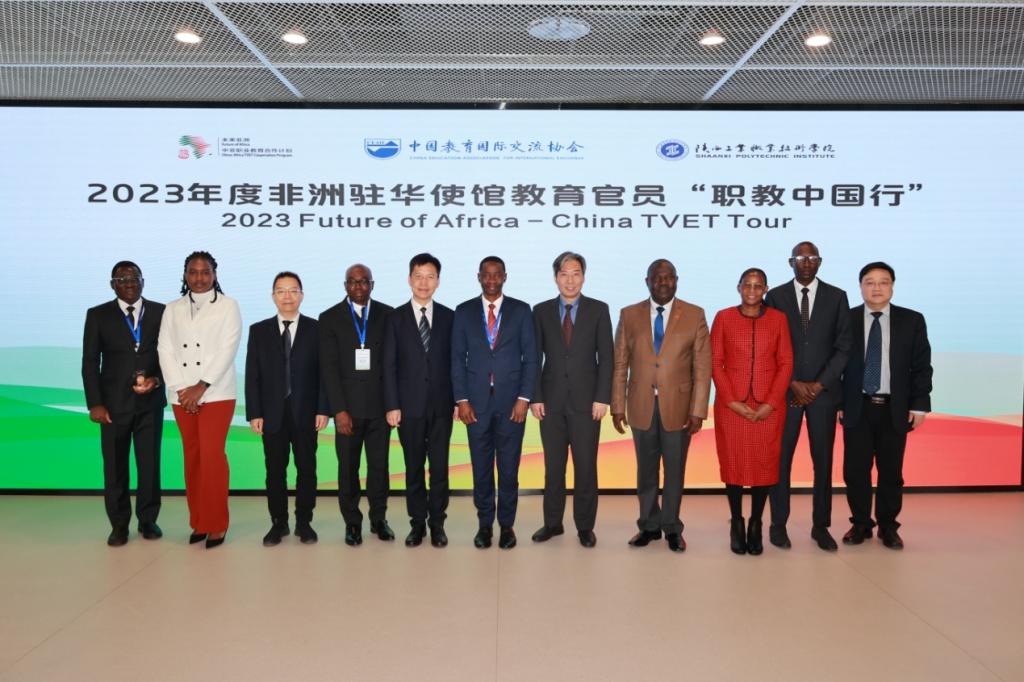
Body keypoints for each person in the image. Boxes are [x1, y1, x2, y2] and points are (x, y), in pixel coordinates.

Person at [611, 259, 711, 553]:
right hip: (640, 404)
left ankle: (672, 528)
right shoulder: (629, 314)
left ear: (676, 280)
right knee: (646, 471)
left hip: (679, 407)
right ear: (647, 281)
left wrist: (698, 410)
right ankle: (648, 525)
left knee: (675, 470)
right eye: (657, 278)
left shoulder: (694, 314)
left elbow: (702, 368)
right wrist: (618, 405)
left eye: (668, 277)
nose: (663, 282)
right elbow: (620, 364)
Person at [764, 241, 851, 552]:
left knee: (823, 462)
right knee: (780, 461)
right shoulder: (775, 296)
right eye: (800, 257)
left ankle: (820, 526)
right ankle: (778, 525)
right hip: (786, 392)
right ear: (791, 262)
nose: (806, 262)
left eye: (812, 257)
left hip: (823, 395)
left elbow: (844, 347)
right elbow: (770, 346)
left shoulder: (837, 297)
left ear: (820, 262)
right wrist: (792, 383)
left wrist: (818, 385)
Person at [839, 262, 932, 550]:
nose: (876, 288)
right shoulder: (847, 319)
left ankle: (888, 527)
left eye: (883, 282)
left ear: (892, 286)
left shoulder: (911, 320)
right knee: (855, 471)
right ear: (860, 287)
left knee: (891, 472)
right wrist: (838, 402)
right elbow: (836, 365)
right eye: (870, 282)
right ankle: (860, 524)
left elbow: (921, 366)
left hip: (895, 408)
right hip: (857, 407)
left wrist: (919, 405)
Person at [452, 256, 537, 550]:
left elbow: (531, 358)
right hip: (475, 406)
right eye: (486, 274)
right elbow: (456, 360)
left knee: (509, 470)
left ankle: (507, 526)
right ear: (479, 277)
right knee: (482, 469)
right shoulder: (463, 312)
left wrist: (524, 398)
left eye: (496, 274)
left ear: (505, 277)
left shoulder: (521, 310)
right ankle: (485, 525)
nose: (491, 279)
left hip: (512, 404)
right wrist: (462, 400)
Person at [157, 251, 242, 549]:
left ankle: (217, 523)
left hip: (216, 393)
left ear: (214, 274)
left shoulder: (229, 306)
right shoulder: (172, 308)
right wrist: (182, 389)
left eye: (205, 272)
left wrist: (201, 386)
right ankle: (199, 521)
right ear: (185, 275)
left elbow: (228, 349)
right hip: (182, 395)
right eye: (193, 272)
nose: (199, 278)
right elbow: (165, 349)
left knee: (212, 456)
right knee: (192, 457)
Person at [530, 252, 613, 548]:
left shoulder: (599, 310)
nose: (570, 280)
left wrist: (602, 397)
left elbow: (607, 358)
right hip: (550, 403)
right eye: (564, 274)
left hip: (587, 403)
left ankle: (585, 527)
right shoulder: (540, 311)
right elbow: (534, 359)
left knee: (586, 468)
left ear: (583, 277)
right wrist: (535, 397)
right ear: (556, 277)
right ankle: (552, 523)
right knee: (554, 468)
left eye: (576, 273)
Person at [710, 268, 793, 555]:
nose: (752, 290)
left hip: (769, 407)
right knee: (733, 463)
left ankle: (756, 522)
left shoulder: (778, 319)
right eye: (747, 285)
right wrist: (732, 401)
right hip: (731, 406)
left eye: (758, 286)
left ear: (766, 289)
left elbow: (786, 362)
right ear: (739, 287)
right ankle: (736, 521)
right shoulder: (723, 317)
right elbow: (715, 362)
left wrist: (771, 403)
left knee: (764, 465)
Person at [82, 261, 165, 546]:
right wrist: (95, 403)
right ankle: (119, 525)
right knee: (115, 467)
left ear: (143, 281)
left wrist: (157, 380)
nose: (129, 283)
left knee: (149, 465)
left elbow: (170, 355)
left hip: (150, 404)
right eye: (122, 279)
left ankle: (148, 520)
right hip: (112, 407)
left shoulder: (161, 312)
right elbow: (90, 361)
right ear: (112, 285)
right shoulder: (97, 315)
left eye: (134, 277)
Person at [245, 272, 329, 546]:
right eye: (281, 291)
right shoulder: (258, 331)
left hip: (307, 413)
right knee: (274, 471)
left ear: (301, 295)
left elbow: (325, 374)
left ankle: (304, 523)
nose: (287, 296)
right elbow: (253, 375)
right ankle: (278, 523)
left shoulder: (317, 329)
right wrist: (254, 413)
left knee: (307, 469)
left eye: (293, 290)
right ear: (273, 296)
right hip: (272, 415)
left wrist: (323, 409)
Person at [319, 264, 395, 546]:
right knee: (348, 470)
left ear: (372, 284)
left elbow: (392, 364)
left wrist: (392, 405)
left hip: (379, 409)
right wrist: (338, 410)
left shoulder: (388, 315)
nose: (359, 287)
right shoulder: (329, 318)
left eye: (364, 281)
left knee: (379, 468)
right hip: (347, 411)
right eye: (353, 282)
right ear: (345, 285)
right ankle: (352, 522)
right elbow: (328, 369)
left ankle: (379, 518)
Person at [383, 253, 455, 548]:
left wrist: (457, 401)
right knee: (413, 468)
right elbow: (388, 365)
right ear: (409, 279)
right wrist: (392, 404)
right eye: (418, 276)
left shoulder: (450, 317)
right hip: (408, 407)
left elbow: (455, 363)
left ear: (438, 281)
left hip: (441, 406)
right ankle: (417, 524)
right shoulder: (394, 318)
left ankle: (437, 524)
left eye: (430, 276)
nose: (424, 283)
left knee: (439, 468)